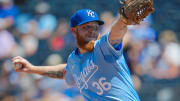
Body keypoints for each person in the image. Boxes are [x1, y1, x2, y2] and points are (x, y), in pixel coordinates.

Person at [12, 9, 140, 101]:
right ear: (74, 31)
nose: (92, 31)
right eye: (86, 27)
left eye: (95, 27)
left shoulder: (104, 47)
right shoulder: (73, 60)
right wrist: (32, 69)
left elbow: (116, 32)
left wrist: (123, 18)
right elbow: (65, 71)